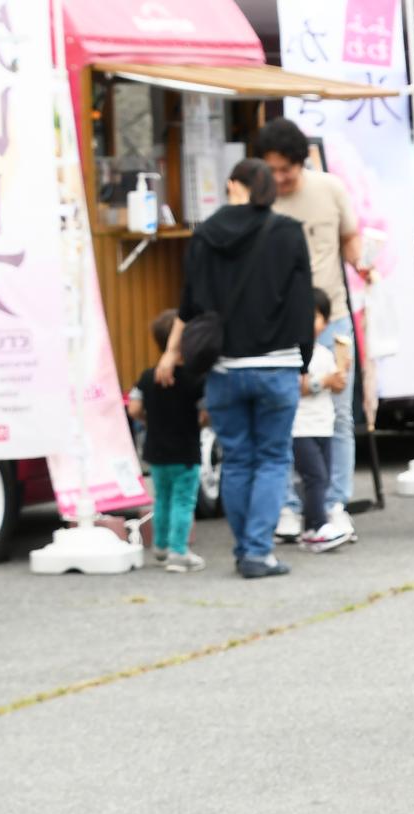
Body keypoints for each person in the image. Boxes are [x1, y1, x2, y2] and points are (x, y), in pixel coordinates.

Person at [160, 159, 315, 580]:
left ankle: (242, 547)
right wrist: (305, 358)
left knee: (239, 458)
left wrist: (175, 351)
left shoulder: (205, 234)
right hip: (276, 366)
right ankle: (256, 552)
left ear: (233, 185)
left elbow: (190, 304)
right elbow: (303, 302)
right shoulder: (286, 232)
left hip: (224, 367)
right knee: (271, 458)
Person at [257, 118, 367, 546]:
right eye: (273, 169)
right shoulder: (260, 200)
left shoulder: (330, 189)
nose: (281, 178)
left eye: (287, 169)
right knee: (283, 411)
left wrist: (363, 263)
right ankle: (287, 506)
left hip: (333, 317)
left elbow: (350, 238)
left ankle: (335, 502)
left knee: (338, 411)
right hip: (280, 322)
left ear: (302, 162)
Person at [129, 309, 206, 573]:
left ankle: (159, 547)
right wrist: (199, 422)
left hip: (156, 450)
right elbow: (206, 412)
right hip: (185, 451)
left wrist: (150, 421)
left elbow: (134, 409)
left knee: (161, 499)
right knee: (184, 501)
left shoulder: (147, 377)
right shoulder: (196, 379)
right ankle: (178, 551)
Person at [292, 290, 353, 554]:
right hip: (300, 428)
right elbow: (297, 387)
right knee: (315, 477)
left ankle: (310, 527)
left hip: (323, 427)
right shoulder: (295, 355)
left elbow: (337, 389)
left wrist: (341, 373)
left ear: (325, 323)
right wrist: (325, 381)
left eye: (315, 317)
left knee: (322, 478)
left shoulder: (326, 353)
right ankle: (318, 526)